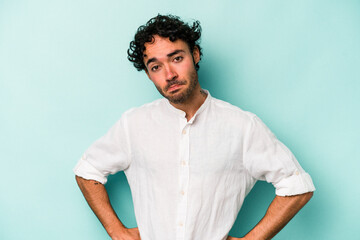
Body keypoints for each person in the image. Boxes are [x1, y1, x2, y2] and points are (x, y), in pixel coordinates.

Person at [74, 14, 315, 240]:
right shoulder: (133, 124)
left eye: (177, 58)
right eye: (155, 66)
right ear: (148, 74)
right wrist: (117, 232)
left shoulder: (242, 126)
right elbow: (88, 170)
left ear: (195, 55)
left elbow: (297, 186)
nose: (169, 74)